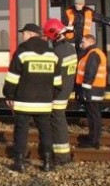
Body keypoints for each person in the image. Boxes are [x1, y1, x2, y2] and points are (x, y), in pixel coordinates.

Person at [3, 23, 61, 172]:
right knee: (45, 131)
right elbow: (58, 82)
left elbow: (13, 77)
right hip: (44, 102)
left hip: (23, 101)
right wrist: (50, 95)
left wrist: (9, 94)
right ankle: (48, 162)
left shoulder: (22, 52)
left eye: (24, 33)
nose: (22, 35)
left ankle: (20, 162)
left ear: (29, 34)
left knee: (21, 131)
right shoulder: (51, 53)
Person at [42, 19, 78, 165]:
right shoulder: (70, 48)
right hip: (66, 90)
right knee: (59, 122)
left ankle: (62, 158)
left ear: (54, 34)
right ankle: (60, 156)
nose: (48, 39)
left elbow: (54, 77)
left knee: (57, 125)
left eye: (49, 37)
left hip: (57, 94)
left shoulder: (57, 52)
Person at [75, 34, 107, 149]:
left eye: (83, 42)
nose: (81, 44)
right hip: (94, 90)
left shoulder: (93, 54)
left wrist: (85, 90)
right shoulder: (91, 53)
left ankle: (93, 141)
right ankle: (93, 137)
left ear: (89, 42)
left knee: (93, 116)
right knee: (93, 115)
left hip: (92, 91)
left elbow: (90, 73)